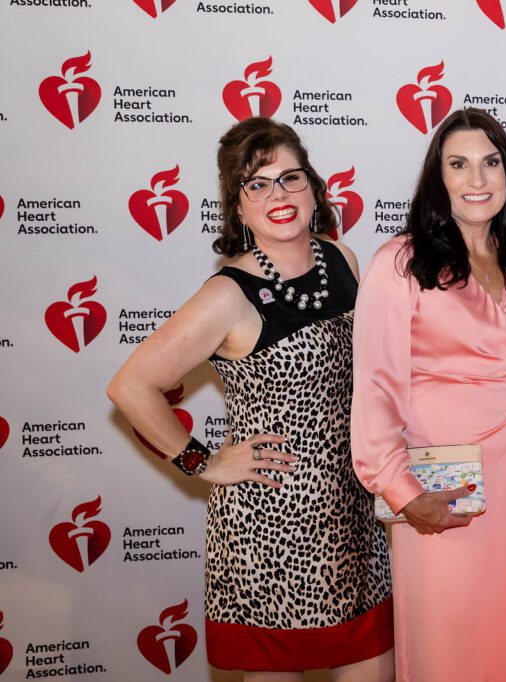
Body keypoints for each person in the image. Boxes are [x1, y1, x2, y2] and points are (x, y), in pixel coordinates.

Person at [107, 117, 394, 682]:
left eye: (290, 178)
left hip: (354, 521)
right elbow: (130, 386)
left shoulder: (344, 260)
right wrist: (201, 461)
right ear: (237, 208)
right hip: (269, 532)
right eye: (257, 184)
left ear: (313, 188)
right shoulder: (227, 294)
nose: (278, 195)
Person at [350, 107, 506, 682]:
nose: (476, 179)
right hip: (439, 485)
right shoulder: (400, 263)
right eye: (459, 164)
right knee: (448, 642)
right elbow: (376, 386)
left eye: (490, 163)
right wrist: (401, 491)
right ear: (438, 179)